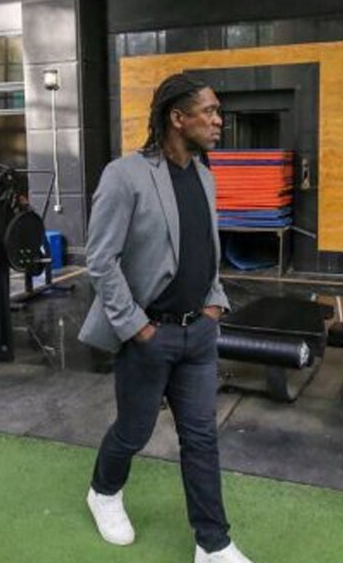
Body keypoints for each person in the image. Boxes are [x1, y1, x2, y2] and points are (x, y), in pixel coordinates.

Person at [78, 73, 255, 563]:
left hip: (199, 333)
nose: (218, 121)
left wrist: (215, 301)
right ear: (178, 118)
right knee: (134, 431)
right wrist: (137, 327)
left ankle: (213, 544)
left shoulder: (204, 174)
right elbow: (101, 259)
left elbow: (204, 248)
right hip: (149, 335)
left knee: (201, 438)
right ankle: (103, 491)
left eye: (218, 112)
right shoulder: (124, 175)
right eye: (209, 111)